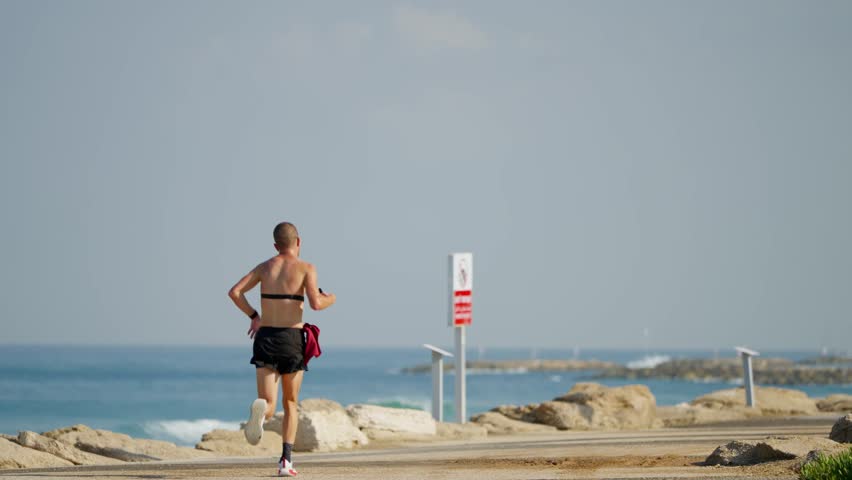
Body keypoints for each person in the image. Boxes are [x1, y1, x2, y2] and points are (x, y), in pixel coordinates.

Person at [228, 222, 336, 477]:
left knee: (269, 402)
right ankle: (285, 462)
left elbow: (234, 292)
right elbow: (316, 304)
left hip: (265, 337)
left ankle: (261, 414)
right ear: (298, 242)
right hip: (292, 339)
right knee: (290, 403)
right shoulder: (306, 268)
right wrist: (331, 297)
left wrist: (255, 315)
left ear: (275, 245)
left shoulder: (265, 267)